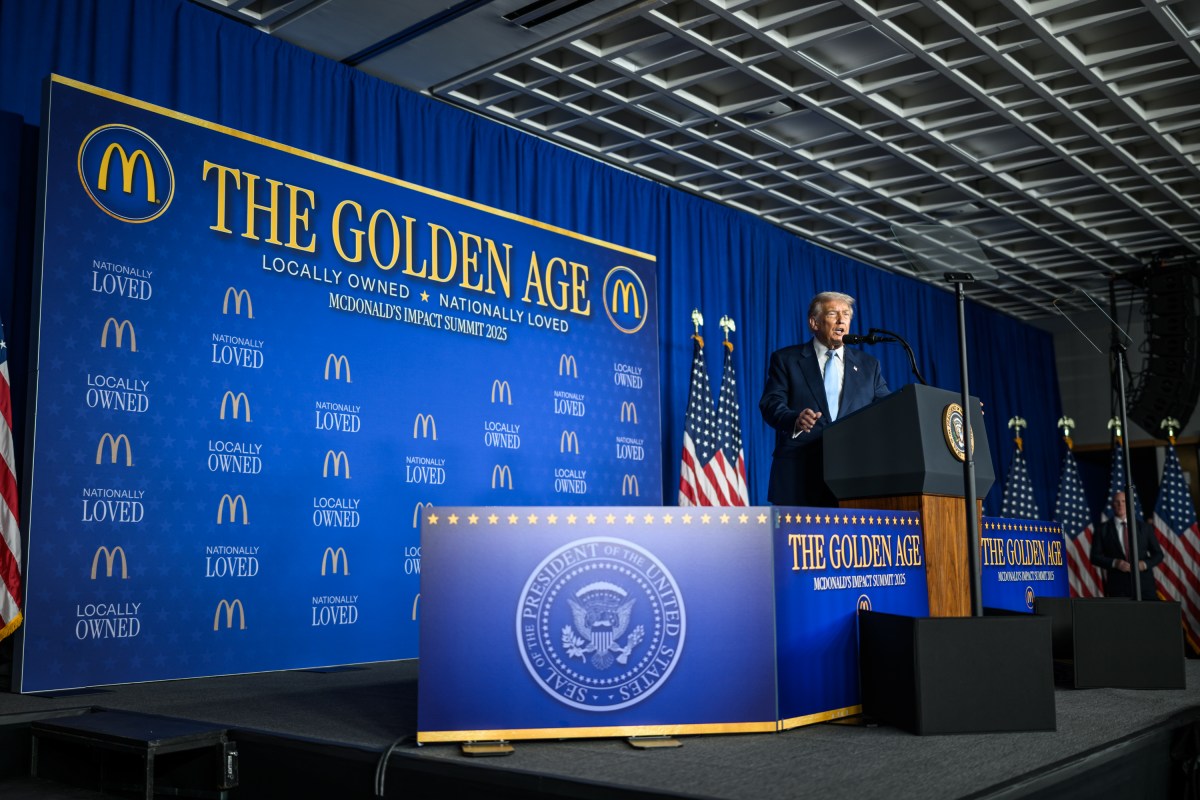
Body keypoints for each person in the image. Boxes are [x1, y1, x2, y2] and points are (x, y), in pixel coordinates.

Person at [758, 291, 889, 506]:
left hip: (853, 476)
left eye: (846, 314)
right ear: (814, 323)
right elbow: (771, 403)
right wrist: (794, 419)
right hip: (799, 475)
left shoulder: (868, 366)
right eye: (832, 314)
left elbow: (887, 409)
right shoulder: (786, 360)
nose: (841, 320)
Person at [1090, 490, 1163, 600]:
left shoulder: (1144, 528)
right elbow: (1094, 557)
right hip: (1118, 588)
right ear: (1112, 504)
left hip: (1145, 586)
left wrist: (1144, 564)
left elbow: (1158, 554)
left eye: (1124, 501)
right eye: (1117, 502)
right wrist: (1115, 563)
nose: (1120, 505)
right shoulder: (1102, 529)